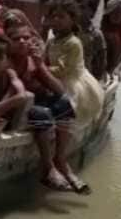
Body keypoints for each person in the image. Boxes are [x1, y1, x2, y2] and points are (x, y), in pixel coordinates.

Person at [4, 22, 78, 192]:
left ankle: (61, 159)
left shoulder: (33, 60)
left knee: (64, 103)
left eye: (26, 38)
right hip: (15, 110)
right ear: (7, 42)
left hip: (33, 104)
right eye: (16, 39)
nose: (22, 41)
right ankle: (48, 167)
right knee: (40, 112)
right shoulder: (5, 62)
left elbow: (59, 90)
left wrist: (41, 66)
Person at [45, 2, 104, 193]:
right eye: (53, 17)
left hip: (73, 82)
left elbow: (64, 69)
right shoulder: (50, 41)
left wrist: (40, 68)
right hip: (54, 80)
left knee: (68, 108)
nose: (56, 21)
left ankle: (60, 157)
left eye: (61, 17)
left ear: (72, 20)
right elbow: (48, 61)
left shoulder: (74, 43)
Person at [75, 0, 107, 81]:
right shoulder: (69, 30)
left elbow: (102, 61)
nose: (79, 11)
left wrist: (96, 80)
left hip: (86, 77)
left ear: (92, 12)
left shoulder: (96, 35)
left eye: (83, 8)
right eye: (77, 7)